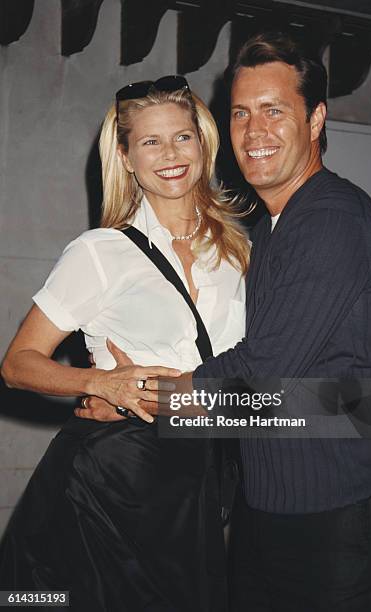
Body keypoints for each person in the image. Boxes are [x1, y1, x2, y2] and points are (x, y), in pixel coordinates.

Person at [84, 33, 371, 611]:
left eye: (274, 110)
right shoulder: (267, 229)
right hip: (272, 506)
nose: (254, 131)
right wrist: (124, 391)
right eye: (240, 113)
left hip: (342, 510)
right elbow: (288, 401)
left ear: (315, 120)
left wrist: (148, 399)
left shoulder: (333, 219)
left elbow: (267, 374)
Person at [0, 75, 250, 611]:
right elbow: (17, 364)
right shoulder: (101, 251)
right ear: (126, 157)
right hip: (112, 474)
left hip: (200, 474)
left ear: (204, 143)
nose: (170, 155)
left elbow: (249, 375)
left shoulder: (240, 250)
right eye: (150, 142)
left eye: (182, 137)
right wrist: (99, 381)